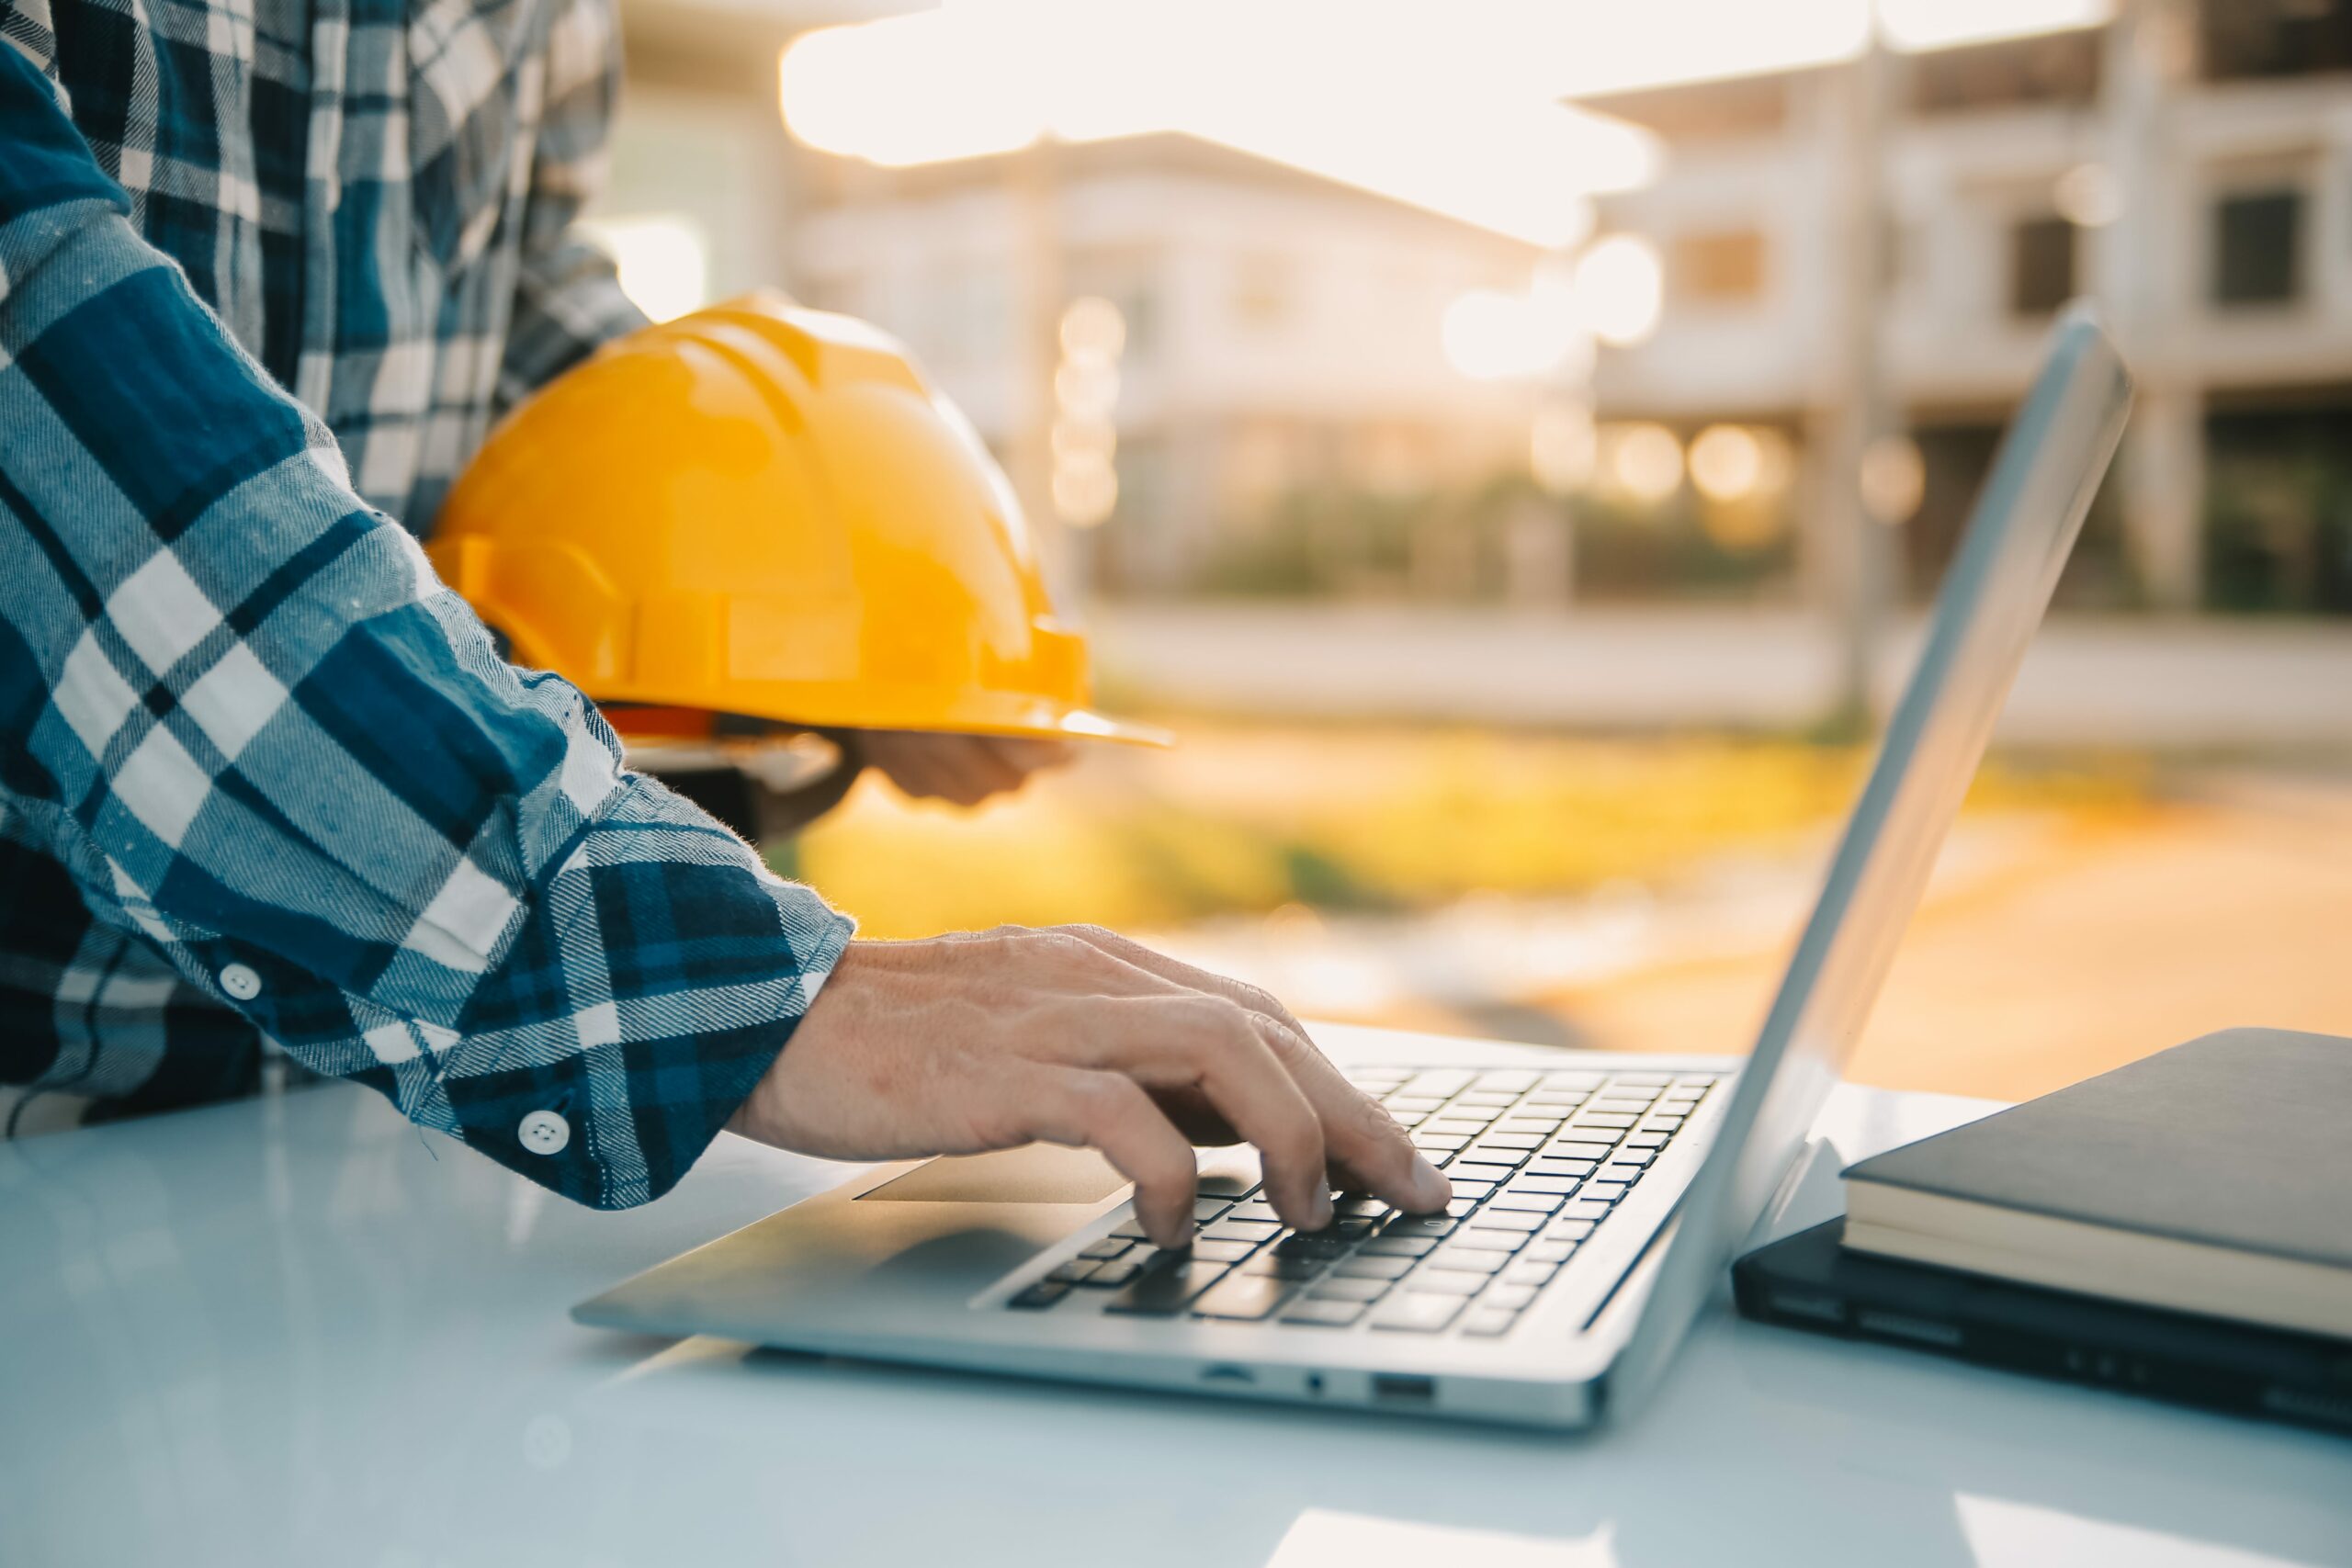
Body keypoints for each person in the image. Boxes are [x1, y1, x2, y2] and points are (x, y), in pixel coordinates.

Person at [0, 1, 1448, 1249]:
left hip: (379, 1131)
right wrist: (722, 979)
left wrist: (826, 603)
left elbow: (509, 304)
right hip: (50, 1125)